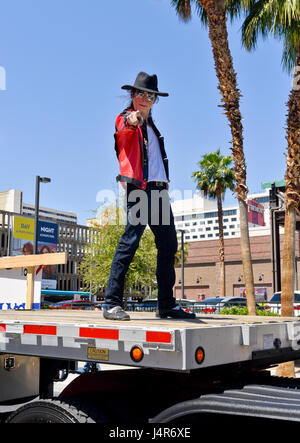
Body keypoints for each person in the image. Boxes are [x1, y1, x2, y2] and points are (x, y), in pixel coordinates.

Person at [103, 71, 195, 321]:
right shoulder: (127, 119)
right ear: (133, 95)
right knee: (130, 241)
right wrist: (133, 119)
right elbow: (125, 126)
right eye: (141, 94)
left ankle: (166, 304)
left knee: (168, 244)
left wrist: (164, 183)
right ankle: (111, 303)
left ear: (155, 100)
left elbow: (155, 160)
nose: (145, 99)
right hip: (140, 189)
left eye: (151, 95)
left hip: (158, 191)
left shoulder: (153, 128)